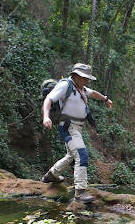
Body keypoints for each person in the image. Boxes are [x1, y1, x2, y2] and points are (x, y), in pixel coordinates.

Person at [41, 63, 113, 203]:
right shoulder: (65, 86)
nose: (87, 80)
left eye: (88, 78)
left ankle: (51, 175)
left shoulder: (82, 88)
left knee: (71, 156)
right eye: (84, 77)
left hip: (78, 127)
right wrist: (46, 116)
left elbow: (94, 93)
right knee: (81, 154)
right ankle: (80, 192)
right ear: (76, 75)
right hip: (68, 126)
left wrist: (105, 99)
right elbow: (49, 99)